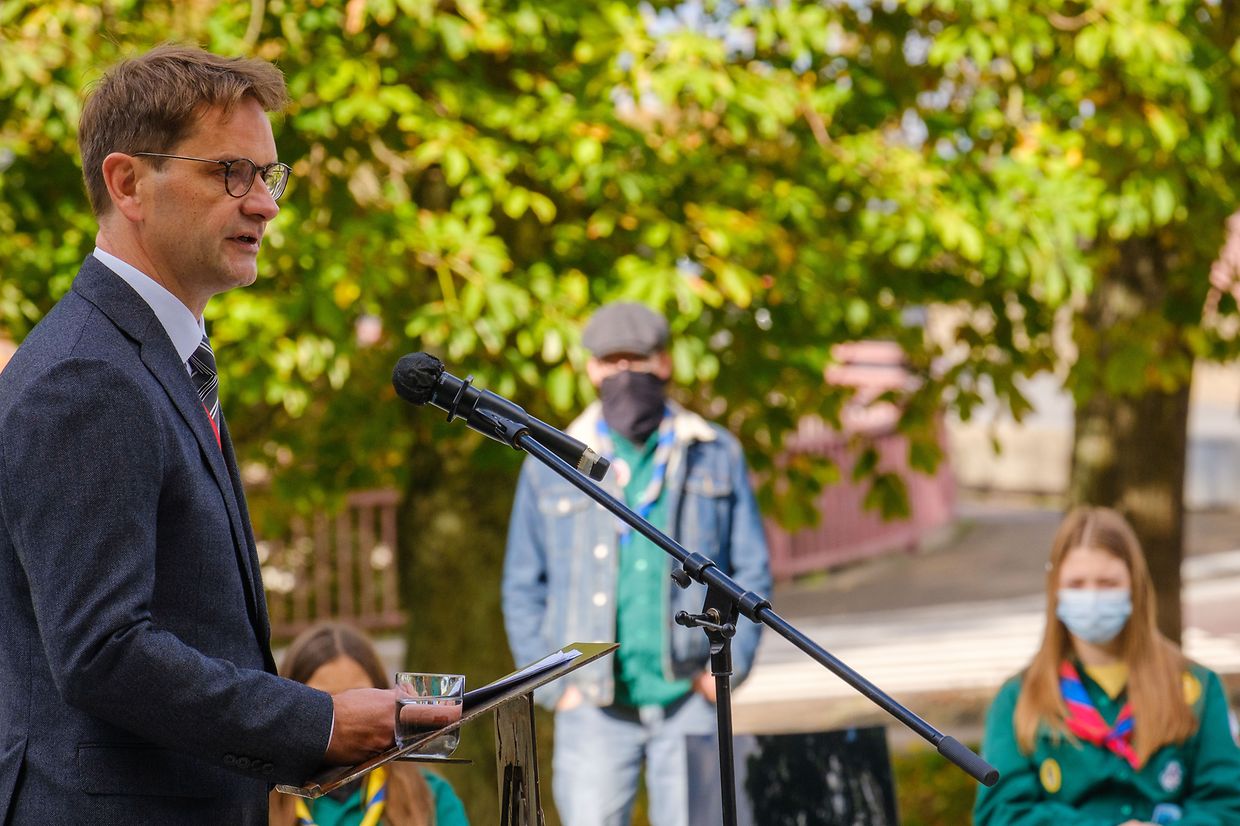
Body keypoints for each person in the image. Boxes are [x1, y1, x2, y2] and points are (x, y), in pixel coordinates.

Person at [0, 46, 398, 824]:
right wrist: (315, 720)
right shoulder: (88, 375)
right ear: (127, 184)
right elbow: (102, 650)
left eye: (268, 175)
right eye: (230, 173)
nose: (265, 205)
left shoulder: (152, 359)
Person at [501, 302, 772, 826]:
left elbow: (751, 573)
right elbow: (522, 585)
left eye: (638, 360)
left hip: (691, 696)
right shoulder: (550, 460)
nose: (624, 375)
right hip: (593, 707)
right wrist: (560, 689)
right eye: (611, 361)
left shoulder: (716, 452)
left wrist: (723, 680)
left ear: (665, 363)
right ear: (591, 369)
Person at [973, 506, 1240, 825]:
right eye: (1076, 584)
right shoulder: (1019, 699)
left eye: (1107, 583)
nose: (1092, 597)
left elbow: (1227, 805)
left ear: (1135, 587)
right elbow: (1001, 813)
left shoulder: (1197, 687)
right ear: (1056, 591)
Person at [269, 623, 469, 826]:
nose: (348, 720)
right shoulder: (258, 803)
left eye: (359, 701)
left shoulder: (430, 797)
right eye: (326, 704)